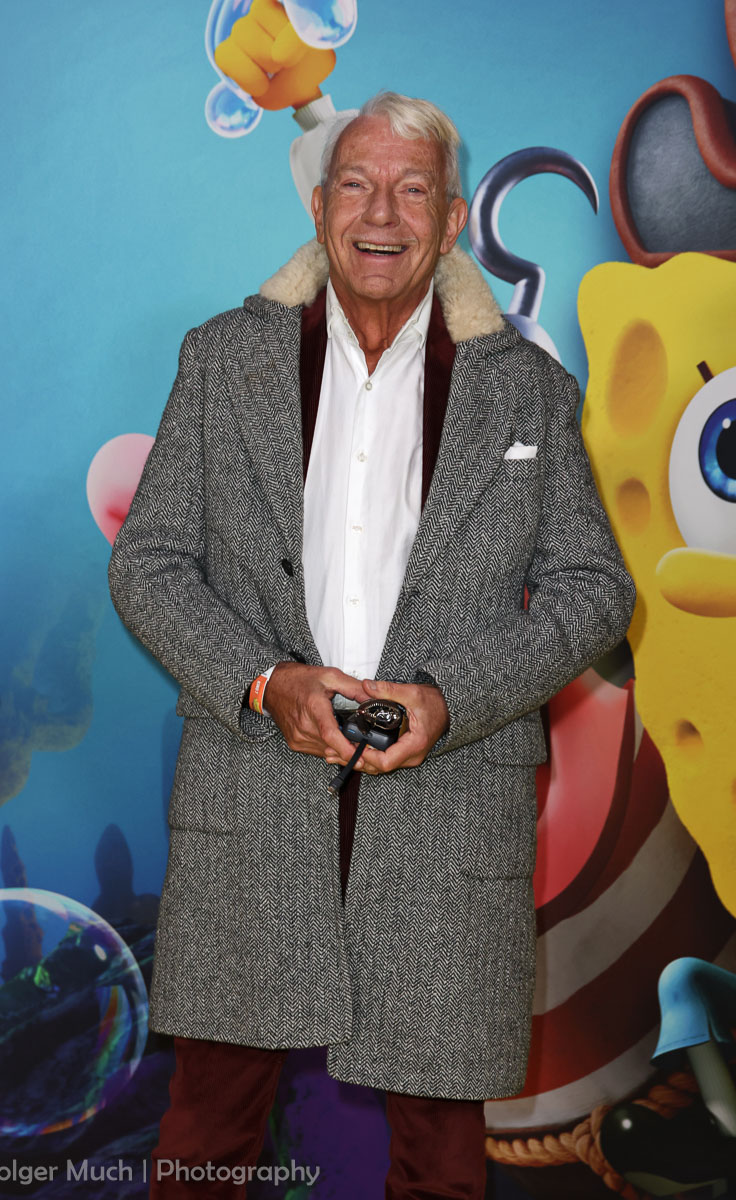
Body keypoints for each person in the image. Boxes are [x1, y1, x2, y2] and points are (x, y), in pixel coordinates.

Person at [108, 91, 636, 1199]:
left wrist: (452, 698)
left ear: (450, 221)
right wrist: (266, 682)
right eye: (355, 184)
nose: (380, 213)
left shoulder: (528, 390)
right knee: (206, 1138)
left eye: (411, 189)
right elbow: (147, 564)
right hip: (253, 798)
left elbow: (597, 591)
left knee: (441, 1159)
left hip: (449, 809)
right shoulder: (221, 360)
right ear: (318, 208)